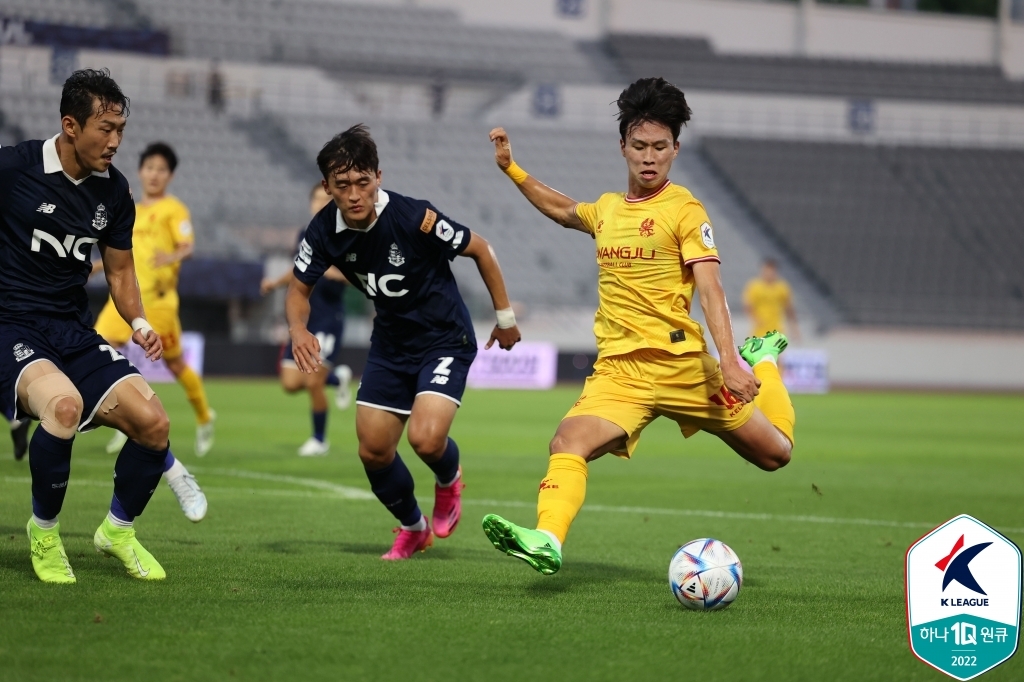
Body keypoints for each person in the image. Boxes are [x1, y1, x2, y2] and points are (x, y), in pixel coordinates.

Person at [481, 77, 796, 575]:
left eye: (660, 148)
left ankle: (767, 362)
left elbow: (710, 288)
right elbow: (564, 210)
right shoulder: (607, 209)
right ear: (623, 146)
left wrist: (735, 360)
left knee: (776, 454)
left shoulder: (685, 209)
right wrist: (512, 169)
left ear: (675, 149)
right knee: (566, 441)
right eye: (640, 146)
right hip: (620, 373)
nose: (649, 157)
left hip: (684, 368)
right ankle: (547, 540)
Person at [286, 124, 521, 560]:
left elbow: (481, 250)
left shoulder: (416, 217)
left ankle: (449, 480)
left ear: (378, 176)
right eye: (343, 185)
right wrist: (298, 330)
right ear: (327, 187)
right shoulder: (322, 231)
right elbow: (299, 290)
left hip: (445, 339)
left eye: (363, 182)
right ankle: (414, 528)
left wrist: (504, 318)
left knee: (426, 440)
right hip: (391, 345)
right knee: (373, 451)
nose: (355, 194)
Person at [0, 69, 175, 583]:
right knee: (62, 406)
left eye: (121, 128)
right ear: (71, 125)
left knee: (155, 425)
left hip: (70, 328)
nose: (116, 141)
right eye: (106, 128)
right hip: (11, 325)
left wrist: (138, 320)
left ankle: (117, 531)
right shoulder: (14, 168)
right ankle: (45, 533)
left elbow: (120, 271)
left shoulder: (115, 192)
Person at [91, 141, 209, 522]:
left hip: (157, 303)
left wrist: (170, 256)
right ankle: (128, 418)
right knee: (98, 352)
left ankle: (204, 418)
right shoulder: (129, 208)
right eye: (149, 168)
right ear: (140, 171)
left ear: (169, 175)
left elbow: (188, 246)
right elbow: (117, 260)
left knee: (174, 365)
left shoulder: (175, 210)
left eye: (162, 169)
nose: (154, 174)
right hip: (120, 300)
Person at [261, 183, 353, 456]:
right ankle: (337, 379)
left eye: (326, 199)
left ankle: (319, 439)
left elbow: (357, 273)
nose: (319, 203)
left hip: (328, 317)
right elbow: (298, 270)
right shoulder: (306, 234)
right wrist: (275, 283)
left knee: (312, 381)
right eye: (316, 199)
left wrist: (334, 272)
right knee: (290, 383)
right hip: (304, 318)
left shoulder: (347, 234)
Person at [743, 258, 799, 341]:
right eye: (767, 270)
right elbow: (748, 306)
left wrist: (794, 328)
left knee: (777, 353)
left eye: (772, 271)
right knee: (759, 352)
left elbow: (789, 308)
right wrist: (755, 319)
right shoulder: (754, 286)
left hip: (777, 329)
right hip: (759, 330)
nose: (769, 273)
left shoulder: (782, 287)